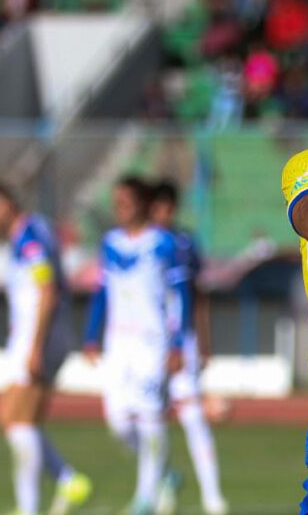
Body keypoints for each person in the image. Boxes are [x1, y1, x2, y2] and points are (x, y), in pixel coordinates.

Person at [0, 181, 91, 515]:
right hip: (29, 337)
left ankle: (31, 507)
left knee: (17, 420)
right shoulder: (27, 234)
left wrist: (36, 346)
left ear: (5, 205)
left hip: (40, 338)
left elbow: (47, 290)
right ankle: (67, 481)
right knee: (12, 418)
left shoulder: (30, 238)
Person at [83, 176, 192, 515]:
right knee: (118, 422)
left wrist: (177, 344)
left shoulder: (164, 243)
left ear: (144, 203)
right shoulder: (110, 242)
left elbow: (182, 295)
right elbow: (102, 292)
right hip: (117, 342)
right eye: (116, 203)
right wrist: (90, 334)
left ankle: (144, 500)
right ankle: (163, 472)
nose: (120, 209)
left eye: (126, 202)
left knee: (148, 416)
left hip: (152, 342)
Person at [150, 179, 228, 515]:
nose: (163, 213)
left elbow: (198, 296)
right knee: (139, 419)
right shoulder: (136, 244)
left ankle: (212, 497)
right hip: (146, 343)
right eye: (157, 206)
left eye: (168, 206)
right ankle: (163, 479)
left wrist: (202, 341)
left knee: (193, 416)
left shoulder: (183, 243)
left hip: (183, 341)